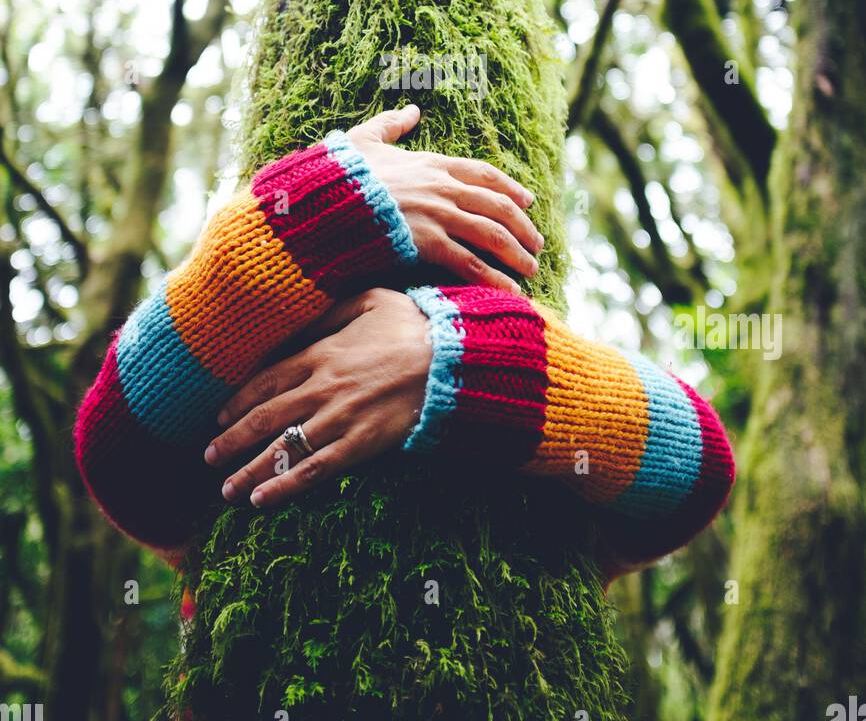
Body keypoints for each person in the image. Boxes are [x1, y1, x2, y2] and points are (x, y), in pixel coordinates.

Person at [74, 104, 734, 583]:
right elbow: (115, 455)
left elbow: (700, 466)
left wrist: (445, 361)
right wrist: (328, 210)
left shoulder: (577, 494)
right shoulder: (218, 462)